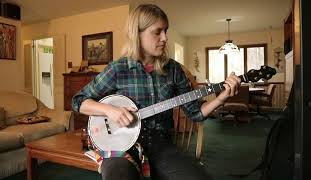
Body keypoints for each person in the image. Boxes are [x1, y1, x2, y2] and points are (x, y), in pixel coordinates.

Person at [72, 4, 241, 180]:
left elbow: (195, 112)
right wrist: (110, 111)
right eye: (157, 32)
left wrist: (220, 99)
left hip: (161, 144)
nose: (165, 38)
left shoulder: (173, 69)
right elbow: (78, 101)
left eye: (166, 31)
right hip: (121, 145)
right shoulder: (118, 69)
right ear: (137, 34)